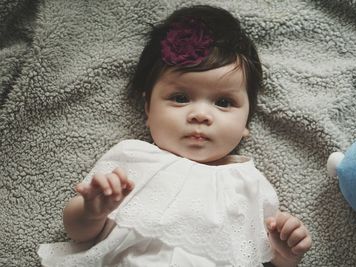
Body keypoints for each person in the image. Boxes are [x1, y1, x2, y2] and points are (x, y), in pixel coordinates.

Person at [38, 5, 311, 267]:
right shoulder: (133, 158)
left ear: (245, 124)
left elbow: (260, 255)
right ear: (148, 108)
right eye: (180, 98)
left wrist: (285, 252)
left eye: (224, 102)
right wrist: (92, 211)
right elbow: (78, 232)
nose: (200, 115)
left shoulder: (251, 184)